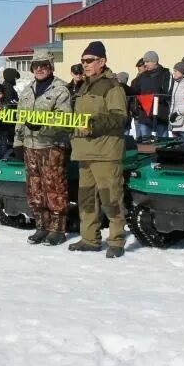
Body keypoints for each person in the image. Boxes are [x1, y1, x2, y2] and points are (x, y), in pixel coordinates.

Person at [68, 41, 129, 258]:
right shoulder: (84, 86)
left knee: (110, 198)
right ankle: (90, 238)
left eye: (90, 61)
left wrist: (93, 123)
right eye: (83, 61)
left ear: (102, 62)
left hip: (105, 152)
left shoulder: (112, 86)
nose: (85, 64)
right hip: (84, 151)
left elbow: (119, 117)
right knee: (86, 199)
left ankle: (116, 240)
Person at [12, 51, 72, 246]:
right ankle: (41, 227)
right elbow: (20, 119)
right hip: (30, 145)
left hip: (51, 145)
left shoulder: (60, 90)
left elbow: (65, 119)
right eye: (36, 65)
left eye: (43, 65)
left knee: (54, 187)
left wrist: (43, 124)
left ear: (50, 67)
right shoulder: (27, 90)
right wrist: (18, 142)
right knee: (34, 187)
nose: (39, 69)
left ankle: (57, 229)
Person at [133, 51, 171, 138]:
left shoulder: (165, 74)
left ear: (154, 61)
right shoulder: (142, 76)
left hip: (160, 116)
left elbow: (167, 92)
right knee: (145, 144)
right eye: (144, 62)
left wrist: (155, 98)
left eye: (147, 62)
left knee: (161, 144)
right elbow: (135, 91)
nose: (145, 64)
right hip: (145, 117)